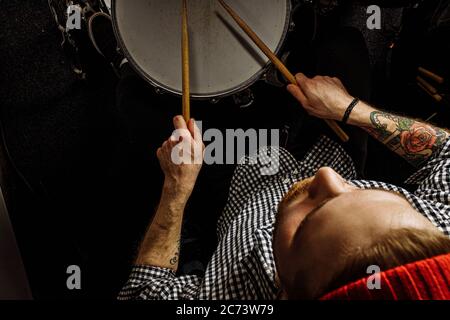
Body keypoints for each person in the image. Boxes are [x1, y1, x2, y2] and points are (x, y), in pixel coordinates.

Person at [83, 12, 450, 300]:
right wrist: (350, 109)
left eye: (311, 221)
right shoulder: (437, 233)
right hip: (329, 142)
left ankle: (123, 65)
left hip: (236, 176)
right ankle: (295, 40)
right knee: (345, 44)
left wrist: (176, 191)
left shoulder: (230, 298)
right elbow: (446, 149)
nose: (327, 178)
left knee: (132, 99)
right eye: (360, 193)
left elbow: (145, 294)